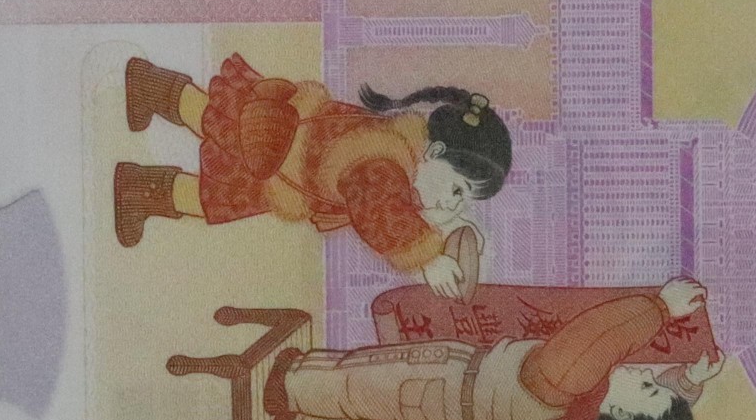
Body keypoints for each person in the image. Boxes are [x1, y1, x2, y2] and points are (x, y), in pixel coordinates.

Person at [113, 55, 510, 296]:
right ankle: (148, 97)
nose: (454, 203)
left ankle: (139, 181)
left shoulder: (401, 153)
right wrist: (427, 258)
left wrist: (451, 231)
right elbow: (381, 214)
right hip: (281, 151)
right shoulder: (384, 164)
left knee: (216, 164)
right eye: (458, 189)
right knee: (214, 128)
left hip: (291, 161)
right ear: (435, 152)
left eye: (463, 199)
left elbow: (400, 204)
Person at [267, 278, 722, 420]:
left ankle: (289, 384)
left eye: (647, 387)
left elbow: (598, 337)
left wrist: (661, 307)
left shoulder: (568, 381)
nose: (643, 374)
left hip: (439, 390)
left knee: (354, 387)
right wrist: (686, 382)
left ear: (619, 412)